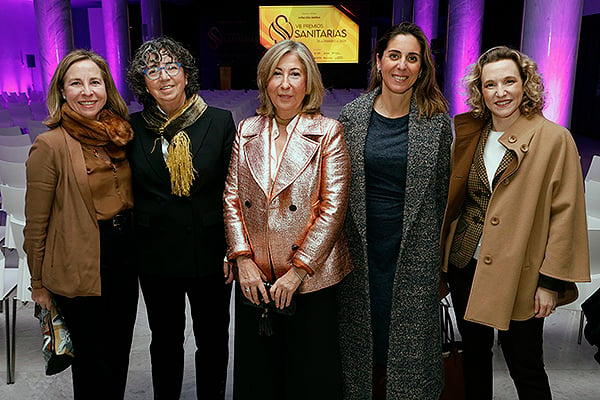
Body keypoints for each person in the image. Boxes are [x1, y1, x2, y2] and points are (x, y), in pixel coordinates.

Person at [441, 46, 591, 399]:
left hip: (522, 273)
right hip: (467, 265)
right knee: (475, 356)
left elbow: (565, 215)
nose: (501, 92)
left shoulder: (554, 139)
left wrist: (550, 282)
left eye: (509, 81)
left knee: (524, 364)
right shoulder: (472, 133)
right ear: (480, 91)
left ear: (526, 84)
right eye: (490, 85)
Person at [223, 39, 352, 400]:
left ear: (308, 82)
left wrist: (297, 272)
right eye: (276, 74)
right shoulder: (246, 130)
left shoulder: (328, 132)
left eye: (294, 74)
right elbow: (232, 197)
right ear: (265, 81)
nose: (285, 83)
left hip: (310, 281)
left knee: (308, 378)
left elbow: (332, 210)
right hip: (256, 280)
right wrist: (242, 260)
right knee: (258, 378)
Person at [337, 22, 452, 400]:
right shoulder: (350, 118)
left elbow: (440, 195)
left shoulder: (436, 123)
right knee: (360, 342)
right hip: (361, 249)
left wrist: (439, 264)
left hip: (414, 253)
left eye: (412, 58)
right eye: (394, 56)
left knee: (410, 352)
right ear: (379, 61)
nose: (402, 66)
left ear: (422, 67)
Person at [24, 49, 138, 399]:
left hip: (123, 257)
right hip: (79, 262)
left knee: (119, 355)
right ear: (61, 91)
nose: (87, 91)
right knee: (92, 363)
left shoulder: (118, 135)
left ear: (107, 88)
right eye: (76, 83)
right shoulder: (50, 144)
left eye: (95, 82)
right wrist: (39, 284)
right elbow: (36, 223)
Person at [126, 36, 235, 399]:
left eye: (172, 66)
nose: (164, 76)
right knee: (165, 341)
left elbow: (232, 192)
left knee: (214, 341)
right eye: (153, 69)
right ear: (143, 82)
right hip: (156, 257)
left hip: (210, 254)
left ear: (186, 74)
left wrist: (231, 251)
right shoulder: (132, 128)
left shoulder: (219, 122)